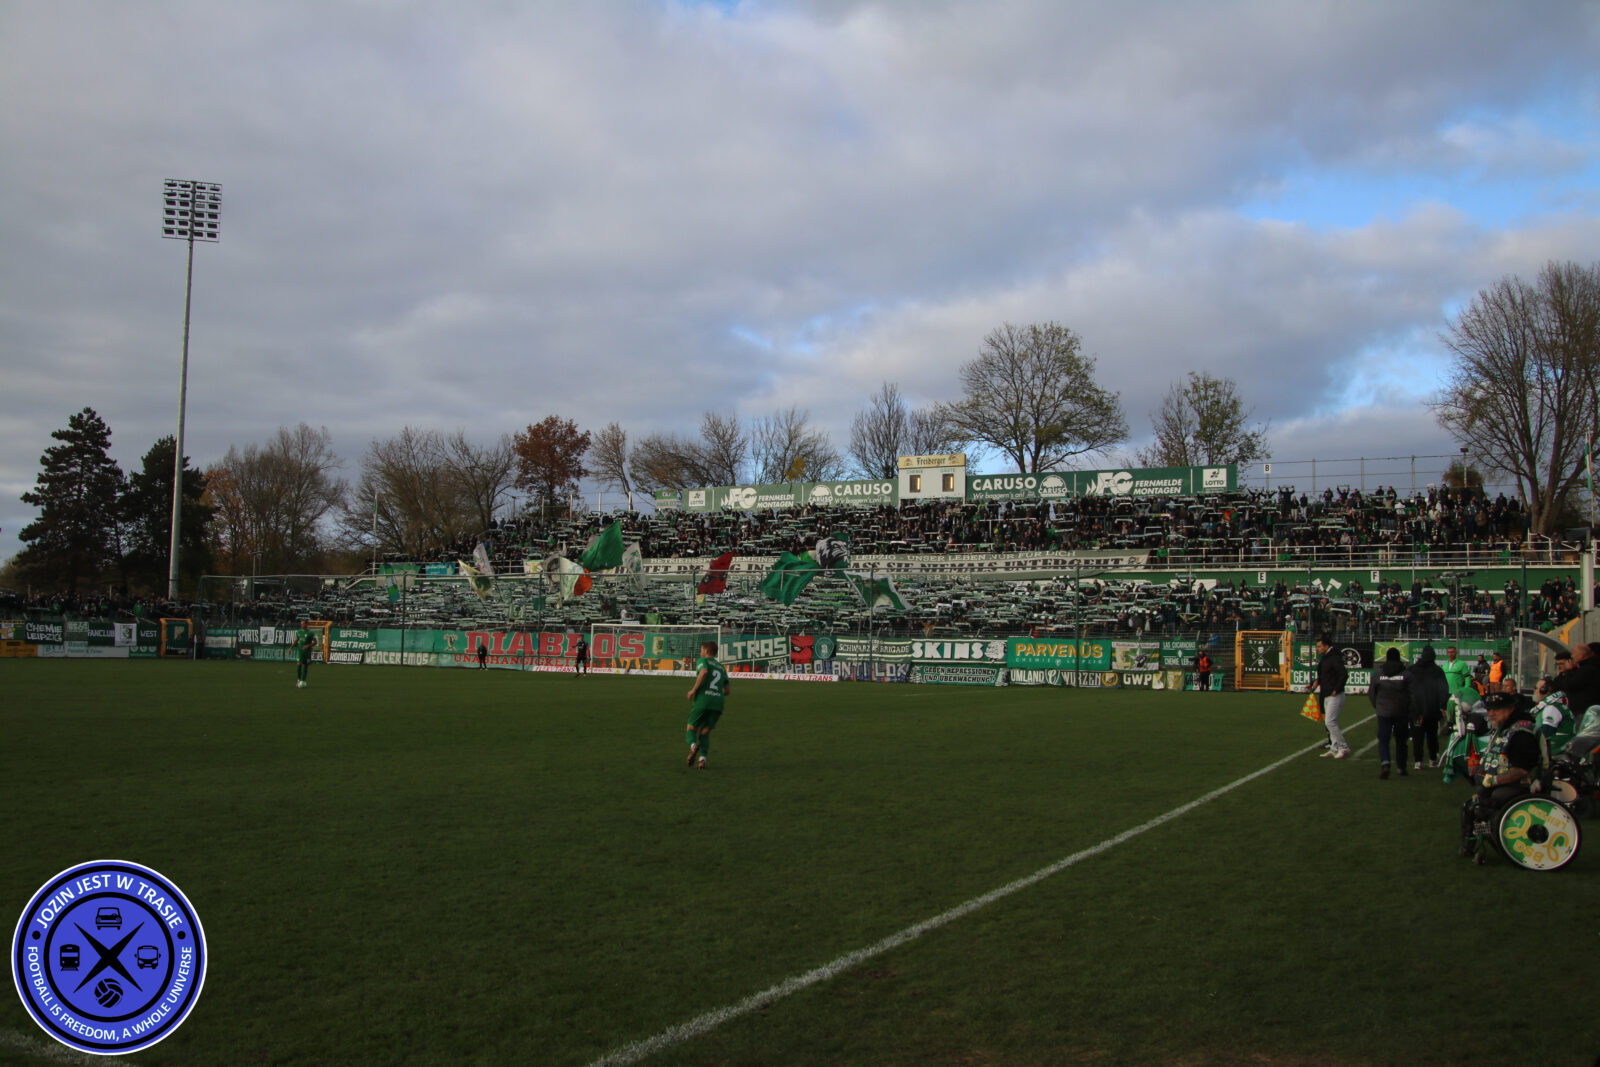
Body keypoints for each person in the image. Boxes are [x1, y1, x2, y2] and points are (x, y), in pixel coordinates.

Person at [1460, 692, 1545, 851]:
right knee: (1473, 804)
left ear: (1510, 709)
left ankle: (1482, 839)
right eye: (1489, 709)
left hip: (1525, 784)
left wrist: (1492, 782)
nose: (1490, 713)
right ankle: (1477, 839)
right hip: (1511, 782)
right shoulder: (1506, 727)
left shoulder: (1521, 733)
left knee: (1481, 805)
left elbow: (1522, 770)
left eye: (1496, 709)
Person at [684, 640, 730, 770]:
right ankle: (702, 759)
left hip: (703, 700)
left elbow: (703, 672)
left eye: (701, 650)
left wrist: (693, 690)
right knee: (705, 732)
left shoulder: (702, 661)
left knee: (691, 728)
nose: (700, 652)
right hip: (718, 702)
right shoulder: (722, 667)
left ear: (706, 650)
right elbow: (727, 691)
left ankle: (693, 747)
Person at [1368, 647, 1411, 778]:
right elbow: (1412, 694)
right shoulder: (1406, 674)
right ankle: (1401, 767)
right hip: (1401, 711)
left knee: (1383, 739)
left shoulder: (1378, 673)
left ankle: (1385, 763)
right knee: (1401, 740)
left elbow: (1371, 693)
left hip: (1383, 711)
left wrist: (1377, 706)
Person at [1405, 645, 1450, 770]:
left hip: (1416, 709)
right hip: (1432, 709)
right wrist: (1444, 706)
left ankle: (1418, 761)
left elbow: (1405, 688)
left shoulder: (1412, 669)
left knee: (1417, 736)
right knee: (1432, 736)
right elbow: (1443, 690)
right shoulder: (1437, 670)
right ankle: (1432, 759)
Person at [1311, 632, 1350, 758]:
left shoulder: (1334, 658)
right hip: (1327, 694)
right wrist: (1316, 682)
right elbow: (1324, 675)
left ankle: (1343, 747)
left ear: (1326, 646)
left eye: (1319, 646)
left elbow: (1343, 674)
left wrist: (1336, 689)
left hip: (1334, 695)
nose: (1318, 649)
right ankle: (1334, 749)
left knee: (1330, 722)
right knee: (1331, 722)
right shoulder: (1326, 658)